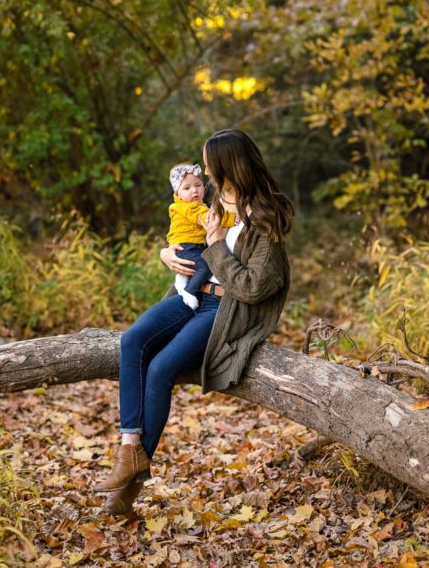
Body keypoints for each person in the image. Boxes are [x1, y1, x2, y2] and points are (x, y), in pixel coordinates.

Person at [95, 128, 294, 515]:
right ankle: (128, 447)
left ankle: (125, 494)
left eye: (208, 166)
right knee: (132, 341)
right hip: (191, 295)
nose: (203, 174)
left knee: (161, 370)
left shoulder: (264, 220)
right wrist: (166, 252)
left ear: (227, 166)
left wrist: (218, 244)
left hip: (223, 311)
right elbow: (186, 232)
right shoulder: (220, 200)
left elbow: (253, 288)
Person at [166, 162, 237, 310]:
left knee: (197, 263)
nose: (194, 191)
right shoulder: (191, 208)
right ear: (176, 193)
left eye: (198, 185)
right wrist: (231, 219)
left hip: (187, 245)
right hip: (187, 245)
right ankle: (189, 292)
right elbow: (209, 218)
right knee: (205, 266)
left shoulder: (189, 204)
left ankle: (182, 278)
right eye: (187, 188)